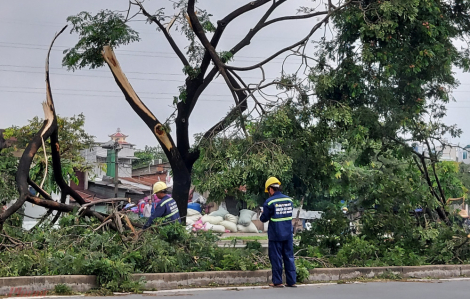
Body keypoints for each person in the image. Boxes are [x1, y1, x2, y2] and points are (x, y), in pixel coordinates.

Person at [260, 177, 297, 288]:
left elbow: (263, 219)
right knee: (289, 256)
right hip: (288, 233)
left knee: (276, 257)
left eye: (268, 191)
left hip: (275, 234)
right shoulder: (289, 200)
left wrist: (263, 213)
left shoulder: (270, 201)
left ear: (271, 189)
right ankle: (291, 281)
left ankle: (278, 281)